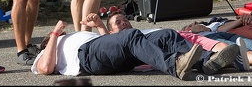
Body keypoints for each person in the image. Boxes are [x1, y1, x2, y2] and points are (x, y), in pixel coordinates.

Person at [31, 17, 203, 81]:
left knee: (165, 34)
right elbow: (46, 68)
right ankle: (175, 65)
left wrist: (99, 25)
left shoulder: (71, 38)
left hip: (103, 53)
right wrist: (54, 33)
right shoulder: (45, 51)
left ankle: (208, 61)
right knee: (130, 35)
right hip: (87, 56)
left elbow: (111, 43)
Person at [102, 11, 242, 74]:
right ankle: (244, 59)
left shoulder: (139, 34)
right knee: (221, 43)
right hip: (139, 55)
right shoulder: (113, 41)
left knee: (168, 34)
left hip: (176, 40)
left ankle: (211, 60)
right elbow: (105, 45)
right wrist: (98, 25)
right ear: (111, 32)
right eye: (118, 22)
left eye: (125, 20)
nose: (124, 23)